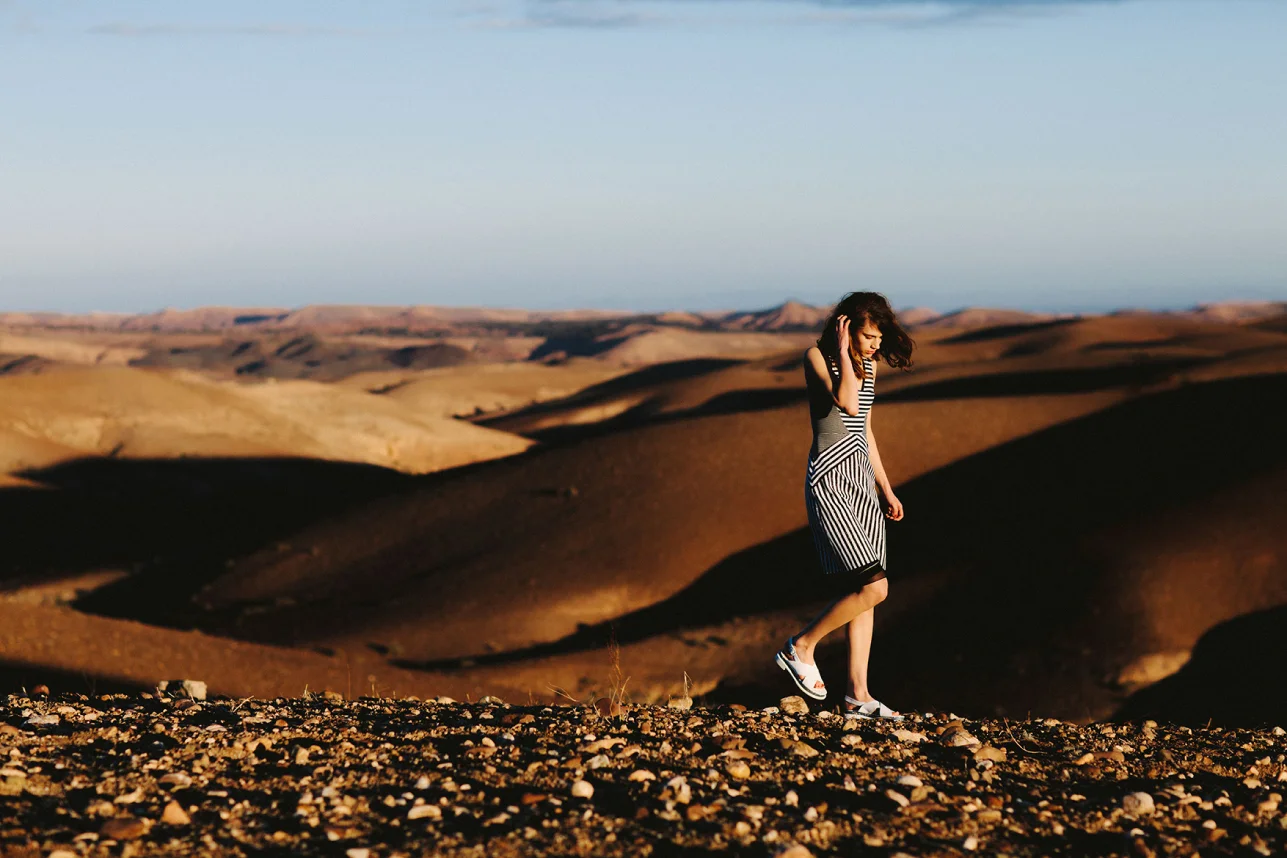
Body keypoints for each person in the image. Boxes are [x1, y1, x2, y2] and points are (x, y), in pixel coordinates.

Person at [774, 292, 915, 720]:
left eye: (879, 338)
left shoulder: (870, 367)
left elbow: (864, 429)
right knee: (875, 586)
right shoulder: (816, 357)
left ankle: (858, 695)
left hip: (861, 482)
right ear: (846, 328)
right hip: (830, 479)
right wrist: (840, 352)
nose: (875, 346)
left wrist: (885, 488)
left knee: (864, 594)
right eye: (868, 337)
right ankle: (800, 646)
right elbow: (846, 402)